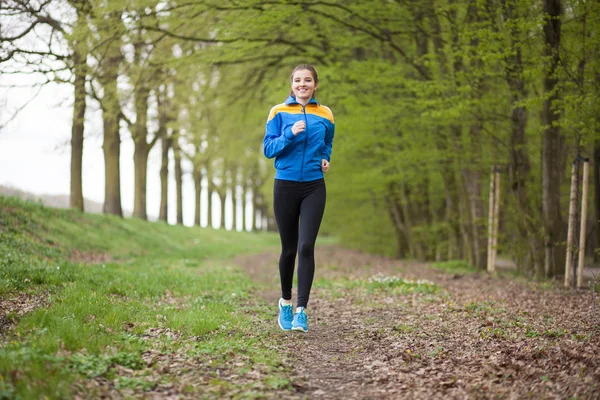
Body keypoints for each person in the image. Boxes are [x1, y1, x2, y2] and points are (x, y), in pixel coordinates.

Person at [263, 64, 335, 333]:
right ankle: (285, 302)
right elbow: (268, 149)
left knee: (306, 247)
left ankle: (302, 311)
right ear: (292, 85)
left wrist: (326, 158)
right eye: (297, 80)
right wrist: (289, 135)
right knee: (289, 249)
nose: (302, 84)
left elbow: (327, 142)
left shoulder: (325, 114)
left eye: (307, 80)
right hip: (286, 185)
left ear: (316, 85)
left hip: (314, 186)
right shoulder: (278, 112)